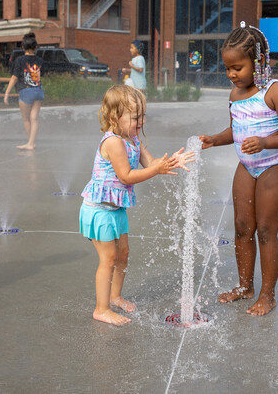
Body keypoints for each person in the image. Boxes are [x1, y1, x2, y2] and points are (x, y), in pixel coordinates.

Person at [199, 22, 278, 316]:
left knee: (266, 230)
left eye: (238, 68)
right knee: (243, 228)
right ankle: (245, 287)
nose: (232, 74)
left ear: (257, 61)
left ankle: (267, 295)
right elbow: (236, 130)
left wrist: (265, 142)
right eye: (228, 68)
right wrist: (214, 140)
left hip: (277, 164)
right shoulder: (234, 95)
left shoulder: (275, 92)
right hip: (248, 165)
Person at [80, 85, 194, 326]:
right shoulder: (113, 142)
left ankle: (116, 296)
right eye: (134, 117)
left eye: (142, 116)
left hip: (115, 209)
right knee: (108, 259)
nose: (140, 121)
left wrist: (171, 161)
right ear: (114, 118)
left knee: (123, 254)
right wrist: (155, 169)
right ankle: (101, 309)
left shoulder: (132, 139)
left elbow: (151, 163)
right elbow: (126, 176)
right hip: (98, 209)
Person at [4, 33, 45, 150]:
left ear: (23, 47)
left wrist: (6, 93)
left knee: (26, 118)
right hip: (38, 90)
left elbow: (14, 77)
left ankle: (30, 143)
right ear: (35, 47)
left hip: (25, 92)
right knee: (34, 118)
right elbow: (40, 74)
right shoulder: (39, 60)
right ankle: (32, 143)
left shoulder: (19, 60)